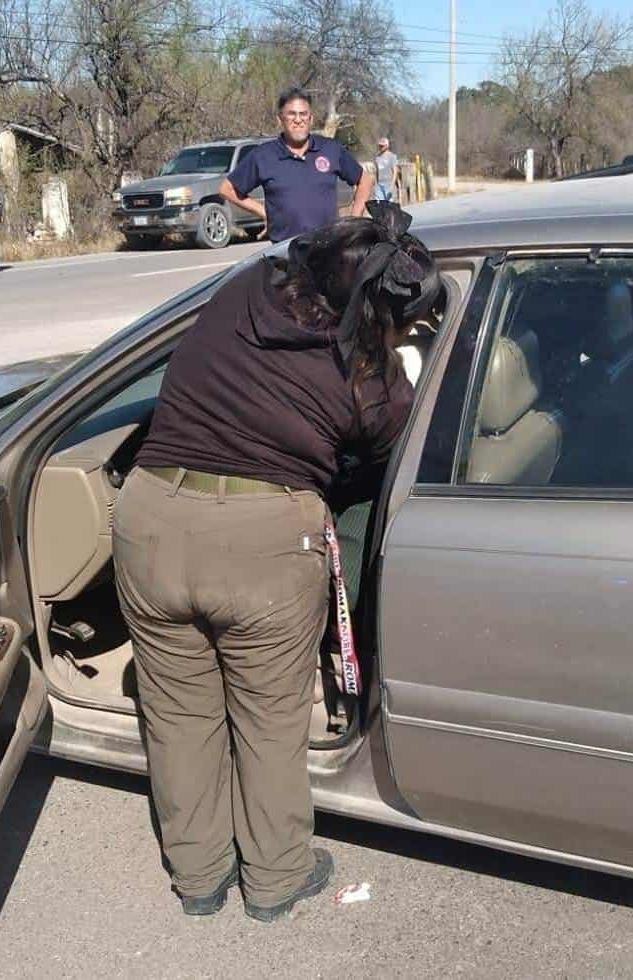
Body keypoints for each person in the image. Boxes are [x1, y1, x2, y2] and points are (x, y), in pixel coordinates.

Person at [112, 201, 441, 923]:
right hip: (262, 545)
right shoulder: (371, 377)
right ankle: (276, 878)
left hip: (149, 516)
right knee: (268, 720)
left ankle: (198, 877)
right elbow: (386, 457)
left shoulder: (244, 288)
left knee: (177, 715)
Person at [219, 86, 373, 243]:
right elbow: (227, 189)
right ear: (280, 119)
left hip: (329, 250)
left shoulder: (330, 149)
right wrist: (262, 211)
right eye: (291, 114)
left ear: (310, 119)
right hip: (285, 253)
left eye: (303, 114)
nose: (298, 120)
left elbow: (365, 180)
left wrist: (355, 219)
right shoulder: (263, 155)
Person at [374, 137, 399, 202]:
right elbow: (377, 172)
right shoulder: (377, 158)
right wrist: (376, 185)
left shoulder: (392, 156)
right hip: (380, 185)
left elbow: (395, 172)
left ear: (387, 146)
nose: (380, 147)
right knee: (381, 205)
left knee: (390, 205)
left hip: (389, 184)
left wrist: (392, 185)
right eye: (379, 145)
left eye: (382, 146)